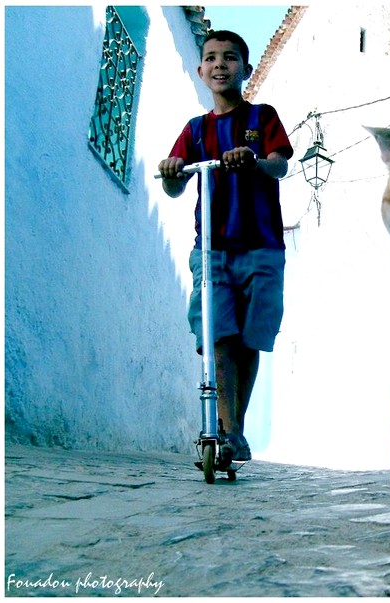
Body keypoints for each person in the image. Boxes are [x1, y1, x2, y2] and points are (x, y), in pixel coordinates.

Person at [158, 30, 294, 463]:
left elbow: (280, 164)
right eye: (211, 58)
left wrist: (253, 160)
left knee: (251, 339)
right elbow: (175, 188)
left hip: (263, 247)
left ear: (245, 70)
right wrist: (171, 170)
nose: (220, 65)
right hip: (212, 250)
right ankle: (230, 430)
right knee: (218, 335)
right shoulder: (195, 130)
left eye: (230, 58)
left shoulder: (262, 118)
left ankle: (233, 428)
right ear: (201, 71)